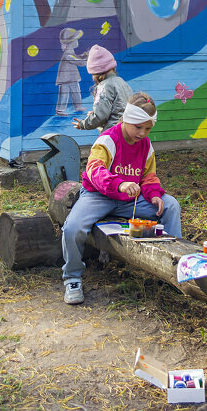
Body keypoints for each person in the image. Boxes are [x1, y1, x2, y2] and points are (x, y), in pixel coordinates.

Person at [62, 92, 182, 304]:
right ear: (126, 119)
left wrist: (154, 195)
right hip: (98, 196)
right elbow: (94, 170)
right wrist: (120, 184)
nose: (142, 133)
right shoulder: (108, 140)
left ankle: (175, 269)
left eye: (148, 129)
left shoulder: (146, 146)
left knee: (171, 205)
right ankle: (72, 278)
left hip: (130, 200)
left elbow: (148, 177)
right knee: (72, 228)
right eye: (138, 127)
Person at [72, 45, 132, 132]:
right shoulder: (122, 82)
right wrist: (96, 113)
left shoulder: (104, 87)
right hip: (127, 130)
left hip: (113, 133)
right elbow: (118, 109)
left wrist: (82, 124)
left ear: (95, 72)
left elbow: (99, 117)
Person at [55, 28, 88, 116]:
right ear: (70, 42)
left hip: (72, 77)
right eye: (75, 39)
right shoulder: (67, 54)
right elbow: (77, 61)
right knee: (64, 94)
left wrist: (84, 55)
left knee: (76, 91)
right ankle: (60, 110)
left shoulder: (70, 52)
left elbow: (76, 57)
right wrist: (86, 59)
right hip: (65, 79)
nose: (77, 41)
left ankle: (78, 106)